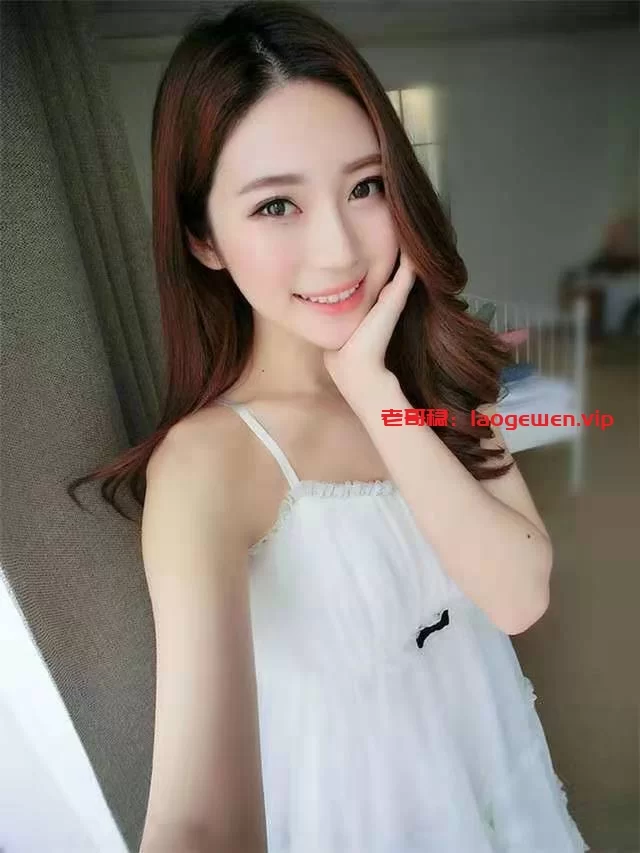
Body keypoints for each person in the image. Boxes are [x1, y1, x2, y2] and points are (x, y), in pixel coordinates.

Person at [68, 2, 590, 851]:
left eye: (365, 186)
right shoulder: (211, 461)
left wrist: (378, 395)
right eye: (277, 205)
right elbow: (199, 820)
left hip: (511, 801)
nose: (339, 249)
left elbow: (519, 594)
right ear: (204, 236)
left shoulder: (430, 384)